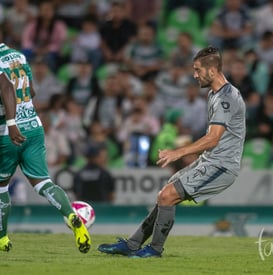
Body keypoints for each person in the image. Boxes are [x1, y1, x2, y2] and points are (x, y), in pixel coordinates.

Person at [98, 46, 246, 258]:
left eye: (197, 70)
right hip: (210, 160)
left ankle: (155, 250)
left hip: (221, 166)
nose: (195, 75)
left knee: (167, 195)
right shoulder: (216, 93)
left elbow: (214, 138)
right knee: (165, 194)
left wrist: (179, 153)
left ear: (212, 71)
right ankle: (132, 244)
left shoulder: (226, 99)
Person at [0, 12, 90, 254]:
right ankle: (72, 216)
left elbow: (5, 86)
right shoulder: (18, 56)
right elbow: (31, 91)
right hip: (34, 127)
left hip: (6, 131)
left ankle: (0, 238)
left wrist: (11, 122)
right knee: (43, 182)